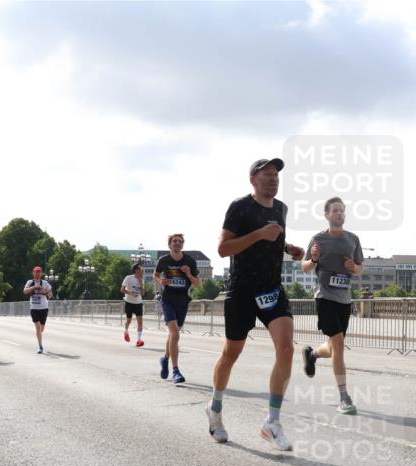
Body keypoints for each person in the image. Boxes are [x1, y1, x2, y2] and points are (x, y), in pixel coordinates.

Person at [207, 158, 304, 450]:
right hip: (242, 291)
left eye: (276, 175)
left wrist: (289, 248)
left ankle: (272, 421)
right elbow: (223, 249)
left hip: (272, 290)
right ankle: (215, 409)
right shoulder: (240, 207)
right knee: (231, 354)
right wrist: (260, 234)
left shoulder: (281, 208)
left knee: (287, 348)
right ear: (253, 179)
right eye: (267, 175)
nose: (274, 179)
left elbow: (276, 239)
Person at [300, 196, 364, 415]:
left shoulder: (353, 239)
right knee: (338, 345)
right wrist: (315, 259)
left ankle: (312, 355)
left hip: (344, 299)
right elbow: (305, 267)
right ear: (326, 214)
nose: (340, 213)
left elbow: (360, 269)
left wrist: (353, 266)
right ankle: (344, 397)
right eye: (335, 210)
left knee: (334, 347)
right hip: (325, 298)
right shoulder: (318, 239)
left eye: (342, 210)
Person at [154, 233, 200, 383]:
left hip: (183, 301)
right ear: (169, 244)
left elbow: (197, 283)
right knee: (175, 334)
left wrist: (188, 274)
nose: (177, 243)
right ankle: (176, 371)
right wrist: (161, 280)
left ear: (183, 245)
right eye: (174, 241)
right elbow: (155, 275)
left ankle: (165, 359)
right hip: (167, 300)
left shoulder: (189, 261)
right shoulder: (164, 260)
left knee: (173, 336)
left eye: (180, 241)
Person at [23, 266, 52, 354]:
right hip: (34, 308)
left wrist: (44, 290)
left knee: (41, 329)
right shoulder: (30, 282)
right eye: (36, 272)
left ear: (41, 274)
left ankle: (39, 336)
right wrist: (34, 287)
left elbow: (50, 295)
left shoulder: (45, 283)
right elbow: (24, 291)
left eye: (39, 272)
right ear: (33, 273)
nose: (37, 274)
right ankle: (40, 346)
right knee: (38, 327)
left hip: (44, 308)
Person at [120, 263, 146, 347]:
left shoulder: (142, 279)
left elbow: (142, 293)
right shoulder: (128, 278)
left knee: (140, 322)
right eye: (140, 269)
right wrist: (131, 293)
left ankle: (139, 340)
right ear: (136, 270)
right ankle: (126, 331)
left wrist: (141, 284)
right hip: (129, 302)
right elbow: (122, 289)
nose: (142, 271)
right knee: (129, 320)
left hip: (138, 302)